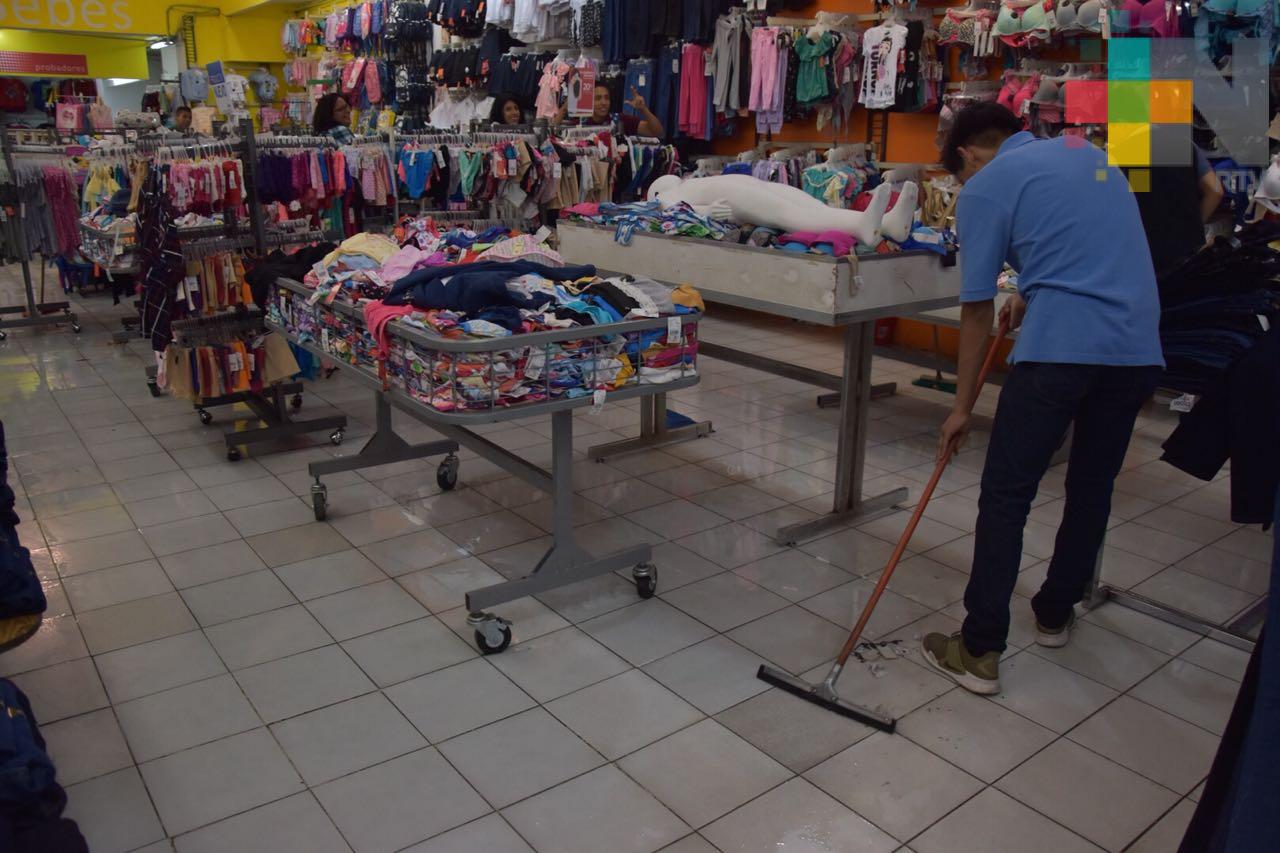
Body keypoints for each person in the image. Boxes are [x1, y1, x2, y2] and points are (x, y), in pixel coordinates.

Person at [923, 103, 1165, 695]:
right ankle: (1056, 611)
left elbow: (975, 308)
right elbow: (1087, 246)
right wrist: (1032, 291)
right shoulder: (1089, 153)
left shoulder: (984, 187)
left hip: (1061, 350)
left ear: (967, 156)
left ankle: (979, 649)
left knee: (1007, 494)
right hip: (1136, 347)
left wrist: (960, 409)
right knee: (1091, 485)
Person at [1122, 139, 1225, 275]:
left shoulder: (1127, 149)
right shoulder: (1185, 144)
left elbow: (1137, 197)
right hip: (1190, 251)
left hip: (1149, 253)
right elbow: (1215, 191)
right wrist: (1193, 226)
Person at [552, 84, 664, 137]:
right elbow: (552, 134)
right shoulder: (581, 123)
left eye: (607, 98)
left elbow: (657, 132)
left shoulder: (620, 121)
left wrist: (644, 109)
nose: (603, 102)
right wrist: (564, 109)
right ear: (589, 101)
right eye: (598, 98)